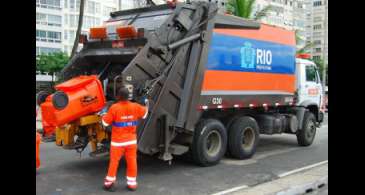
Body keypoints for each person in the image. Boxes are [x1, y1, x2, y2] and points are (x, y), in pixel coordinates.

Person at [101, 86, 148, 192]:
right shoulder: (135, 106)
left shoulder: (114, 108)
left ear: (118, 97)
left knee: (114, 162)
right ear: (129, 97)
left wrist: (103, 113)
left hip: (117, 142)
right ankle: (132, 183)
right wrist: (145, 101)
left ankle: (109, 183)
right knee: (132, 161)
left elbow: (105, 122)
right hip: (131, 141)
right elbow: (145, 114)